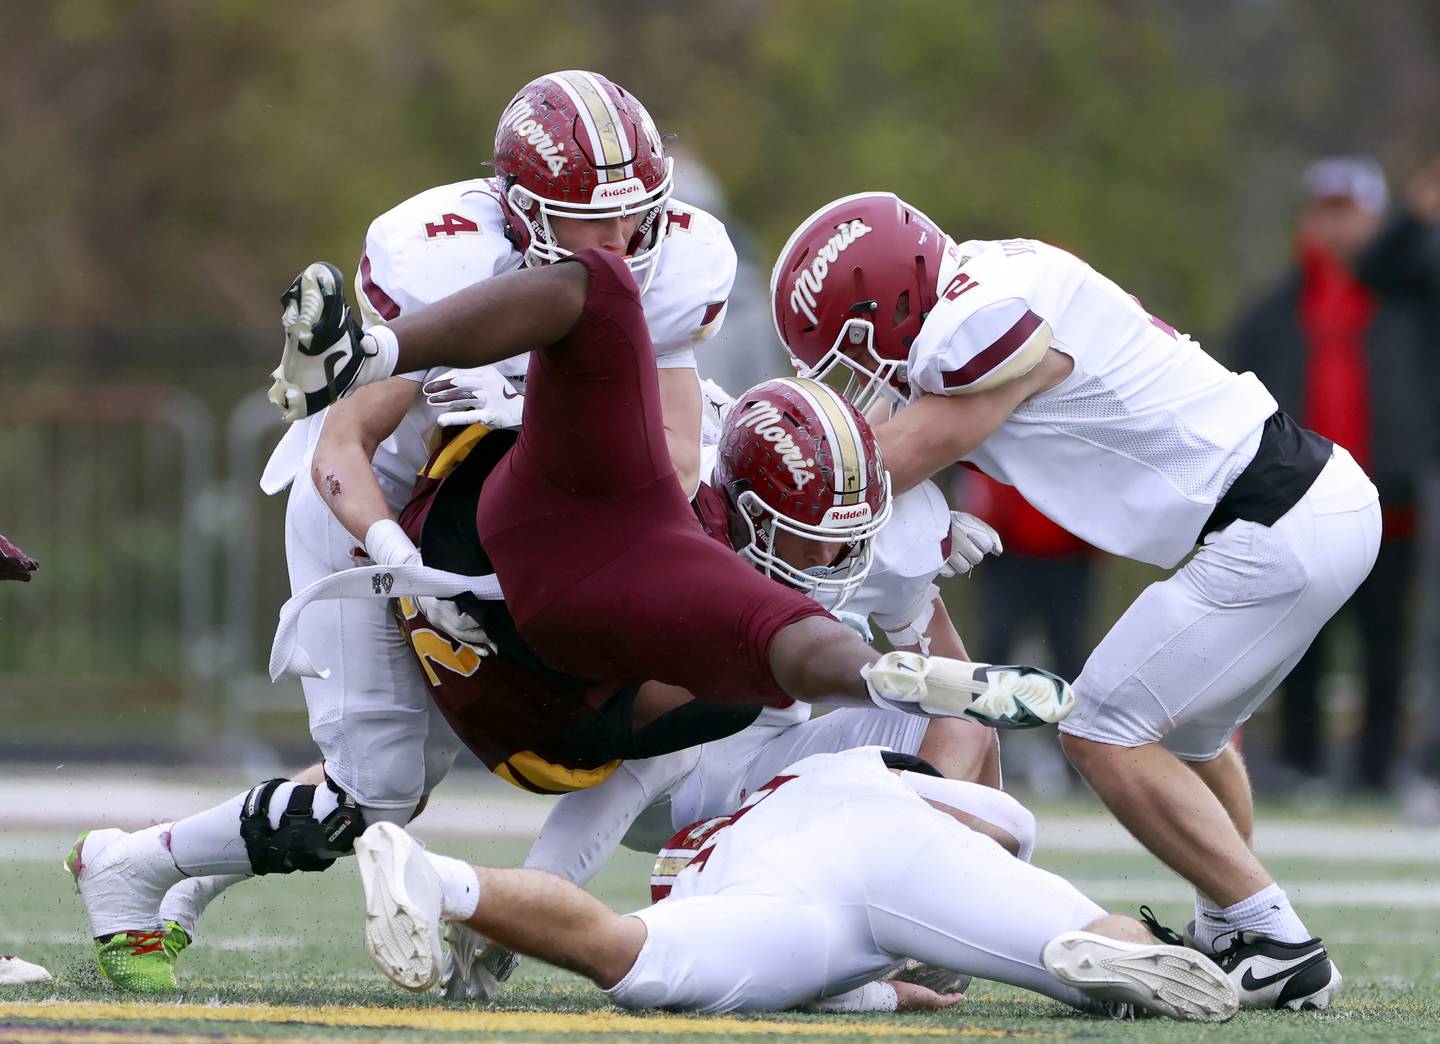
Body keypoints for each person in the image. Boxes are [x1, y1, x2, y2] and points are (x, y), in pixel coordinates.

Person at [67, 69, 740, 993]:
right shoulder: (443, 255)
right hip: (371, 515)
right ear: (521, 214)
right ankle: (135, 866)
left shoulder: (679, 266)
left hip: (500, 533)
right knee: (377, 786)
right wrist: (396, 558)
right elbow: (341, 445)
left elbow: (673, 461)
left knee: (402, 778)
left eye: (636, 215)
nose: (620, 243)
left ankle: (170, 875)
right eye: (591, 221)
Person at [768, 191, 1381, 1011]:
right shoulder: (991, 277)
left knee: (1098, 726)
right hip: (1306, 502)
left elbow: (870, 470)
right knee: (1189, 739)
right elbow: (881, 433)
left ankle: (1274, 940)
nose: (857, 372)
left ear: (893, 304)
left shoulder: (974, 330)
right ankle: (1233, 925)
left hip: (1272, 523)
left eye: (851, 345)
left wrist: (753, 475)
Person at [352, 747, 1238, 1021]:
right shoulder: (854, 768)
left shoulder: (717, 857)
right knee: (1071, 944)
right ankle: (1122, 949)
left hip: (787, 887)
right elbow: (1005, 824)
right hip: (883, 827)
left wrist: (894, 987)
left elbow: (819, 983)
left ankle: (444, 878)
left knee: (632, 954)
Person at [1231, 157, 1431, 792]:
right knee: (1299, 637)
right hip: (1303, 501)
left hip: (1392, 499)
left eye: (1351, 212)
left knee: (1384, 641)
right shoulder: (1274, 310)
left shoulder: (1409, 300)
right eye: (1327, 211)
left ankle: (1376, 772)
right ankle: (1301, 765)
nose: (1338, 227)